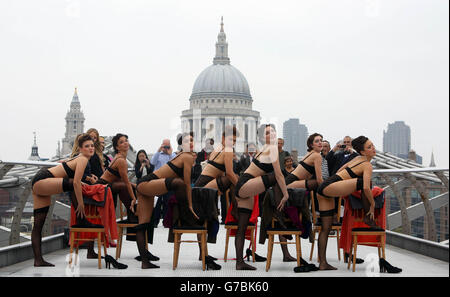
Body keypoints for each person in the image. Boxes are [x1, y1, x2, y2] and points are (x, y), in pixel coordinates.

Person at [316, 136, 380, 271]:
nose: (373, 148)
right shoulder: (367, 165)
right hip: (330, 187)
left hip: (323, 188)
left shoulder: (356, 159)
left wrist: (344, 184)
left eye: (372, 145)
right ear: (362, 152)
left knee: (326, 228)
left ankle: (323, 263)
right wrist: (372, 205)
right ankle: (368, 217)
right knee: (364, 182)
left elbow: (339, 171)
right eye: (369, 147)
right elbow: (366, 188)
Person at [31, 133, 95, 267]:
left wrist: (86, 181)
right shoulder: (83, 159)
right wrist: (81, 204)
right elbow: (76, 183)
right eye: (87, 146)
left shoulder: (79, 158)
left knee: (38, 225)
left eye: (92, 146)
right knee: (72, 183)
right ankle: (81, 219)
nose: (91, 148)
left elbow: (76, 180)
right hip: (43, 180)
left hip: (42, 183)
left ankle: (38, 260)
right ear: (80, 149)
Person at [135, 132, 197, 269]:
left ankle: (145, 262)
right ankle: (184, 216)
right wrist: (190, 205)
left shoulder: (180, 155)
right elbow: (187, 183)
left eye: (192, 140)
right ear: (182, 144)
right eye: (187, 141)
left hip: (145, 186)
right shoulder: (186, 156)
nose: (190, 143)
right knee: (178, 183)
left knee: (143, 224)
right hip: (146, 183)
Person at [234, 124, 289, 270]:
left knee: (242, 227)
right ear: (261, 137)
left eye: (272, 131)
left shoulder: (265, 149)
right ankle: (280, 216)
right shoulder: (271, 149)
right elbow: (278, 174)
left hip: (246, 188)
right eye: (266, 133)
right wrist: (286, 194)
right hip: (245, 184)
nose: (270, 134)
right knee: (275, 178)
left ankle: (240, 262)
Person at [193, 126, 240, 270]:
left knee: (203, 222)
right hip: (203, 189)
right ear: (223, 138)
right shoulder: (227, 150)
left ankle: (203, 253)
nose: (232, 142)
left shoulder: (217, 149)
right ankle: (236, 208)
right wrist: (241, 187)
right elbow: (230, 174)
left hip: (198, 188)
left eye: (234, 140)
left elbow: (218, 172)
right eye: (230, 139)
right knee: (234, 179)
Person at [150, 139, 177, 227]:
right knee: (157, 203)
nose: (165, 148)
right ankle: (155, 221)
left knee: (167, 202)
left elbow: (174, 165)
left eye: (167, 146)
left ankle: (166, 222)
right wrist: (158, 150)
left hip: (168, 181)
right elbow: (152, 162)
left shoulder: (172, 155)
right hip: (158, 180)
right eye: (164, 146)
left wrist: (169, 154)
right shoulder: (158, 154)